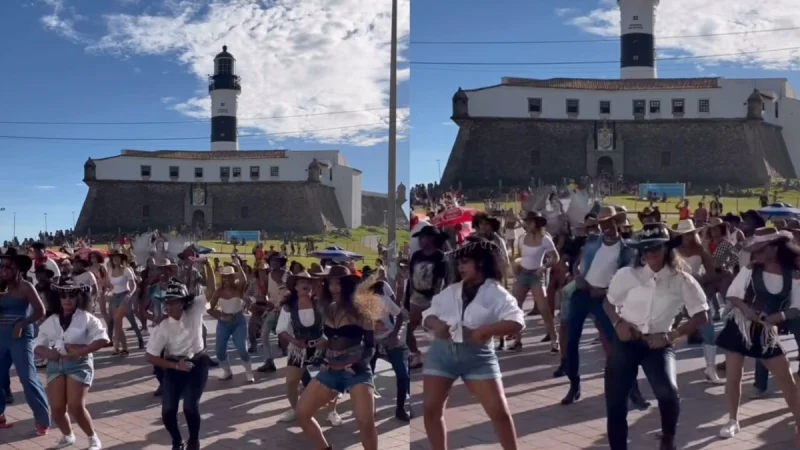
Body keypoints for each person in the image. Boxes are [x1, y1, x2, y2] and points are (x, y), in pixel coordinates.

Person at [603, 223, 710, 450]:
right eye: (645, 248)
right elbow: (608, 302)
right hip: (626, 341)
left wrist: (672, 334)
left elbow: (702, 315)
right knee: (615, 402)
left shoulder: (681, 279)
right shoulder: (627, 275)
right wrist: (618, 323)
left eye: (656, 247)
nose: (651, 252)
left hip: (658, 343)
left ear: (667, 248)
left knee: (668, 392)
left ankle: (668, 440)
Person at [422, 237, 525, 450]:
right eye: (458, 263)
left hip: (478, 357)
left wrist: (484, 331)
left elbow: (517, 321)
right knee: (431, 410)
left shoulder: (496, 293)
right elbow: (428, 314)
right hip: (442, 355)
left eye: (465, 262)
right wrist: (436, 325)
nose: (460, 267)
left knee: (500, 413)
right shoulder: (452, 290)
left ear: (481, 263)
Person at [715, 228, 800, 442]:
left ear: (774, 249)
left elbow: (797, 308)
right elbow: (733, 295)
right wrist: (745, 309)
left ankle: (799, 423)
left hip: (766, 333)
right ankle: (733, 420)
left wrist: (778, 317)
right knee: (734, 376)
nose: (756, 254)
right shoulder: (751, 270)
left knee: (787, 378)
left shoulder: (795, 275)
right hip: (740, 328)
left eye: (761, 249)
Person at [294, 265, 383, 450]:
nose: (334, 288)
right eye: (331, 283)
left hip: (356, 371)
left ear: (347, 285)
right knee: (302, 413)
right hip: (330, 369)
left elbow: (371, 345)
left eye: (338, 283)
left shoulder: (360, 308)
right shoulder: (326, 307)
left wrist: (359, 365)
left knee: (365, 423)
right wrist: (321, 351)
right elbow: (328, 338)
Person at [145, 261, 213, 450]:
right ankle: (177, 441)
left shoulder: (196, 311)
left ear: (183, 303)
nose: (168, 305)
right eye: (166, 302)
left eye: (173, 301)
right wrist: (176, 366)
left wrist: (206, 265)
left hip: (197, 364)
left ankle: (193, 440)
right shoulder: (163, 327)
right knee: (167, 412)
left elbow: (212, 290)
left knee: (190, 407)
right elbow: (150, 356)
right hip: (174, 367)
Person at [33, 278, 109, 449]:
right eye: (64, 296)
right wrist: (46, 352)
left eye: (72, 296)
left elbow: (103, 338)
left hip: (79, 364)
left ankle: (93, 437)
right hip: (55, 364)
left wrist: (81, 351)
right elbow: (37, 342)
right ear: (58, 299)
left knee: (76, 406)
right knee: (57, 408)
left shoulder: (86, 318)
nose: (67, 299)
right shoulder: (52, 319)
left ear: (79, 299)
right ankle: (68, 436)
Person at [0, 247, 51, 434]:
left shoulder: (25, 286)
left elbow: (40, 311)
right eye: (1, 266)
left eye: (7, 266)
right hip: (1, 335)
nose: (3, 270)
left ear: (18, 269)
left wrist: (22, 324)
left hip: (20, 336)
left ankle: (42, 419)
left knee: (27, 378)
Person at [275, 271, 325, 424]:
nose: (306, 285)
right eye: (302, 282)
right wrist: (294, 341)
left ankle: (332, 411)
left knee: (330, 381)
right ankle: (296, 409)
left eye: (309, 282)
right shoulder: (289, 308)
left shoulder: (320, 304)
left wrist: (325, 340)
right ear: (295, 287)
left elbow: (331, 324)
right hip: (299, 349)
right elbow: (281, 330)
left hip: (320, 347)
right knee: (291, 381)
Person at [510, 211, 559, 353]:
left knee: (544, 309)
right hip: (523, 274)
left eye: (530, 222)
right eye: (526, 221)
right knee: (515, 307)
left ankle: (554, 340)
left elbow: (555, 257)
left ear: (536, 223)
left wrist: (543, 267)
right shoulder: (522, 238)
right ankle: (517, 340)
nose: (526, 224)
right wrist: (515, 266)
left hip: (536, 275)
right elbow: (519, 256)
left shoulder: (545, 239)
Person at [367, 270, 412, 421]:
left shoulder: (384, 300)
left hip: (389, 341)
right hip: (371, 343)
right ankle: (367, 408)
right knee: (367, 375)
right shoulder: (360, 305)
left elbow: (399, 315)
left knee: (403, 375)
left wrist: (393, 335)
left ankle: (400, 408)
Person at [207, 263, 253, 383]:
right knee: (219, 350)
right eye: (224, 277)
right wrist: (220, 316)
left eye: (229, 276)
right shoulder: (218, 291)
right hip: (223, 323)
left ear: (234, 277)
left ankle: (248, 371)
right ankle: (227, 371)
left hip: (238, 321)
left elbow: (244, 279)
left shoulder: (239, 288)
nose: (226, 279)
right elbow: (209, 307)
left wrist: (238, 264)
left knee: (242, 348)